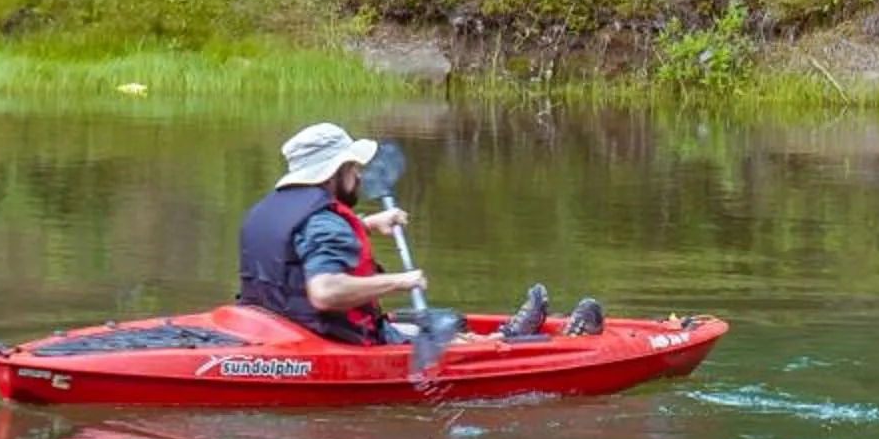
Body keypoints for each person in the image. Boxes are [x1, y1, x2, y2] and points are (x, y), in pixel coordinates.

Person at [236, 123, 604, 345]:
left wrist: (367, 224)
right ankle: (518, 342)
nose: (359, 176)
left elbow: (295, 251)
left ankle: (509, 334)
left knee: (445, 320)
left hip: (278, 328)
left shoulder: (269, 209)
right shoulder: (325, 221)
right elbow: (325, 292)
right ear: (334, 173)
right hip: (334, 340)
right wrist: (401, 281)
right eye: (352, 168)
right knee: (442, 333)